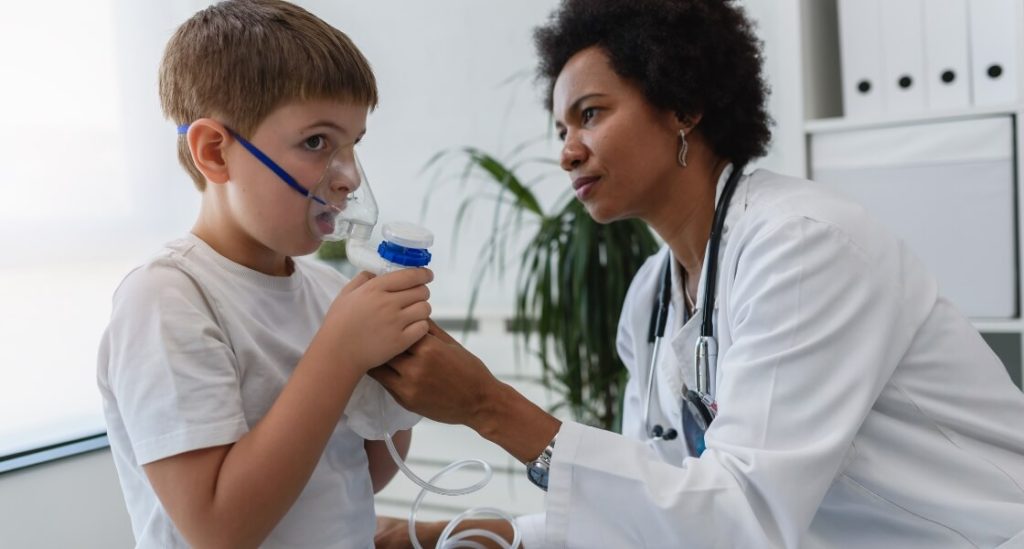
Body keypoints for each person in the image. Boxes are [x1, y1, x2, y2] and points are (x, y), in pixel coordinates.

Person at [371, 0, 1024, 547]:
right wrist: (430, 535)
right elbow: (655, 512)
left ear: (683, 106)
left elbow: (743, 521)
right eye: (561, 127)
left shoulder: (801, 246)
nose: (567, 151)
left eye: (591, 114)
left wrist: (487, 405)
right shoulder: (651, 300)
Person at [96, 1, 433, 547]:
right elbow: (218, 529)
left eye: (353, 144)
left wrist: (392, 383)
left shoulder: (328, 292)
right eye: (317, 142)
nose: (347, 178)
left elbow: (353, 480)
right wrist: (342, 353)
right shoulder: (167, 299)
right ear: (214, 152)